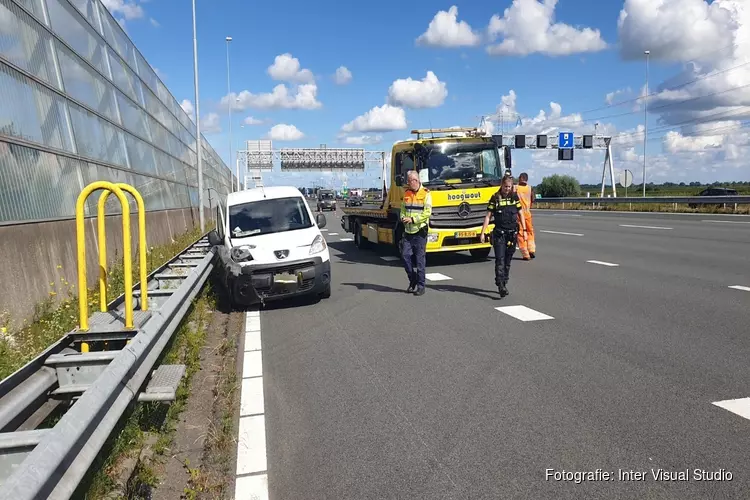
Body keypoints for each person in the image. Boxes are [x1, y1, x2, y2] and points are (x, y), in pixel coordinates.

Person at [480, 175, 527, 297]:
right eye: (505, 186)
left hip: (512, 235)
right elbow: (488, 216)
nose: (507, 189)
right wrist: (483, 233)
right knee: (500, 260)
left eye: (509, 187)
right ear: (502, 185)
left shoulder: (514, 197)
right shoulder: (495, 198)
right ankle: (501, 285)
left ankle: (504, 280)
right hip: (499, 234)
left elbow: (521, 213)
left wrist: (524, 230)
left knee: (508, 260)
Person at [400, 170, 432, 296]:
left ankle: (421, 286)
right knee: (405, 256)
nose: (409, 183)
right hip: (408, 231)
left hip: (420, 231)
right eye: (408, 181)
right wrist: (403, 217)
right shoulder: (407, 193)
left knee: (419, 261)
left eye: (410, 181)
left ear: (416, 181)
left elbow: (427, 213)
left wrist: (413, 220)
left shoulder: (426, 194)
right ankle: (412, 279)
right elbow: (403, 209)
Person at [515, 172, 536, 260]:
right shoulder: (530, 188)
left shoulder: (515, 188)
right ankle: (531, 249)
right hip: (528, 213)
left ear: (520, 178)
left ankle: (525, 254)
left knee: (521, 234)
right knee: (530, 232)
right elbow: (533, 199)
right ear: (527, 179)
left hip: (519, 214)